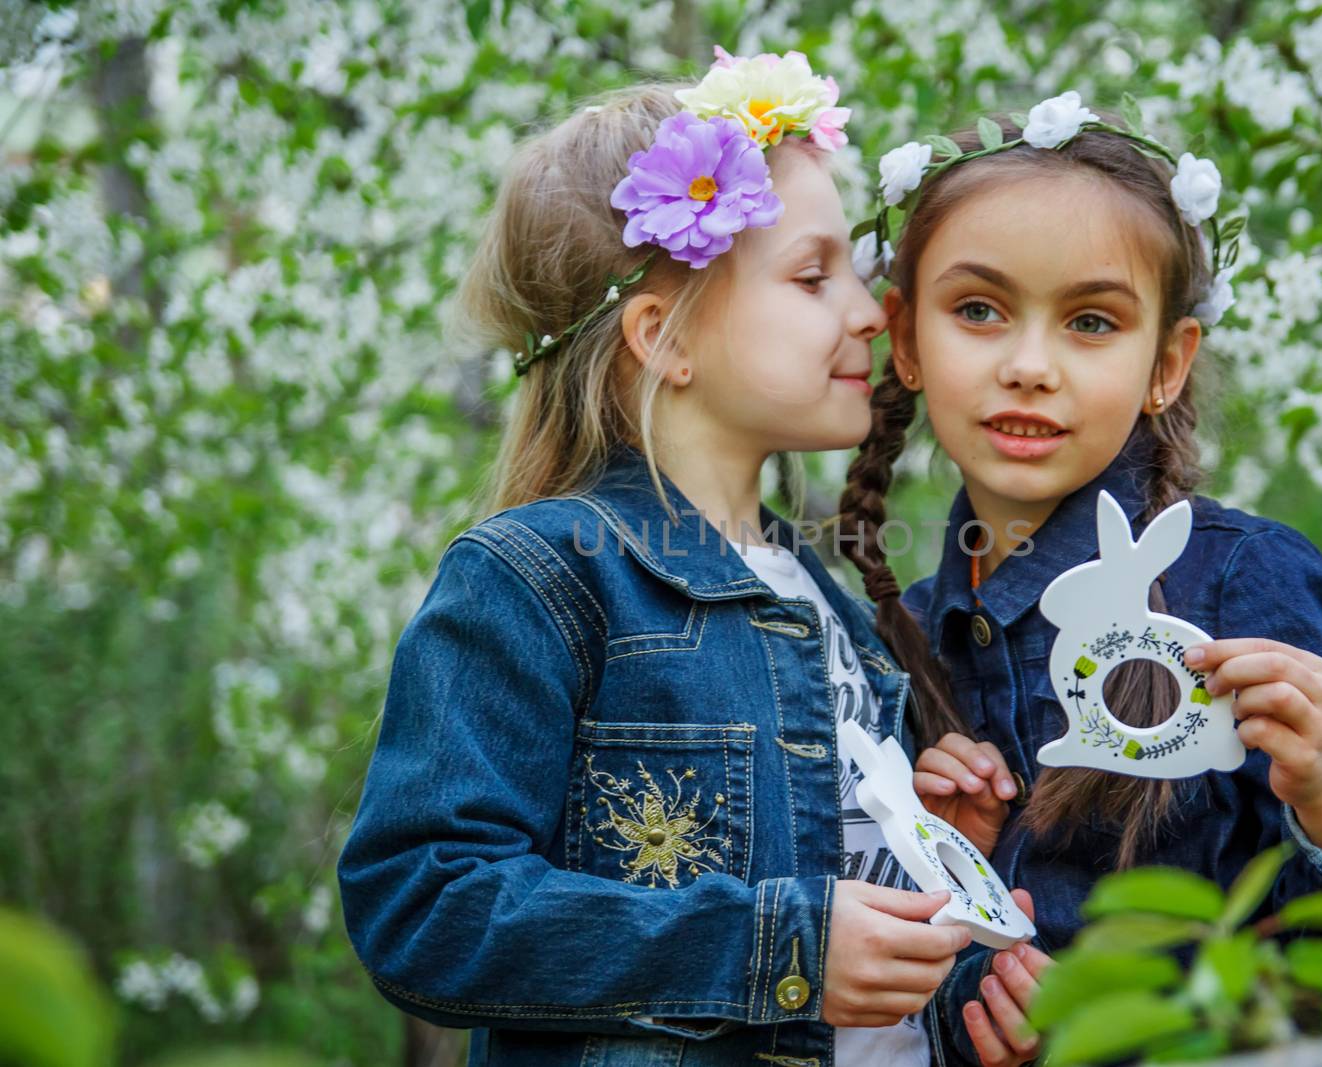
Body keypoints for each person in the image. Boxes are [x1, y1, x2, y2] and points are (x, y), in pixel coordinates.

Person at [338, 49, 985, 1066]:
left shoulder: (822, 598)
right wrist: (783, 946)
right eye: (814, 276)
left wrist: (944, 871)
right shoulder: (542, 578)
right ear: (662, 337)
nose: (868, 311)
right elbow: (425, 904)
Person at [836, 97, 1322, 1066]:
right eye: (977, 310)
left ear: (1166, 362)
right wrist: (975, 989)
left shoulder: (1241, 584)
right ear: (904, 339)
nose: (1029, 365)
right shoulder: (898, 640)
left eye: (1090, 320)